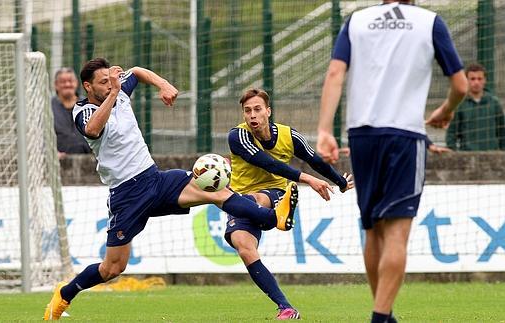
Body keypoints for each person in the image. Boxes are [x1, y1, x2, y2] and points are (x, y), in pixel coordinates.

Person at [43, 58, 299, 320]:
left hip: (155, 179)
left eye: (111, 80)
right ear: (87, 86)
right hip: (126, 195)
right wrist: (116, 93)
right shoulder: (81, 110)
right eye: (103, 83)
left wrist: (163, 85)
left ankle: (274, 221)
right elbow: (94, 129)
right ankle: (64, 294)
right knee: (112, 268)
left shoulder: (118, 88)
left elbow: (139, 70)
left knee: (216, 191)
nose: (110, 85)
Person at [315, 1, 468, 322]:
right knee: (397, 234)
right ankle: (380, 317)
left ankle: (384, 314)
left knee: (373, 231)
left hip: (361, 136)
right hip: (404, 136)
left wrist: (325, 130)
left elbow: (334, 73)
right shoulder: (430, 22)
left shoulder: (356, 21)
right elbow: (460, 84)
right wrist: (447, 109)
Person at [226, 88, 354, 320]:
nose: (252, 115)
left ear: (268, 111)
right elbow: (267, 163)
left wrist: (340, 183)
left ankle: (279, 213)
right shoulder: (238, 136)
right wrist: (307, 179)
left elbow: (315, 160)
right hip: (240, 198)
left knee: (258, 200)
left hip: (275, 193)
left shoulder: (289, 136)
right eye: (247, 111)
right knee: (244, 249)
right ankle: (286, 308)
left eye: (257, 109)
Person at [446, 63, 505, 151]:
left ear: (485, 80)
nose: (476, 82)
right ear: (466, 80)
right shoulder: (460, 104)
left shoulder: (494, 103)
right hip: (467, 156)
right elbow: (451, 133)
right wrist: (456, 154)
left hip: (492, 155)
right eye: (472, 79)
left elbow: (502, 132)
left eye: (479, 79)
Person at [51, 67, 92, 159]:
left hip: (89, 163)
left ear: (76, 83)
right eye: (63, 82)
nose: (67, 84)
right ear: (56, 85)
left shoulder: (88, 104)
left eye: (70, 81)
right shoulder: (48, 107)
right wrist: (52, 154)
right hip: (57, 163)